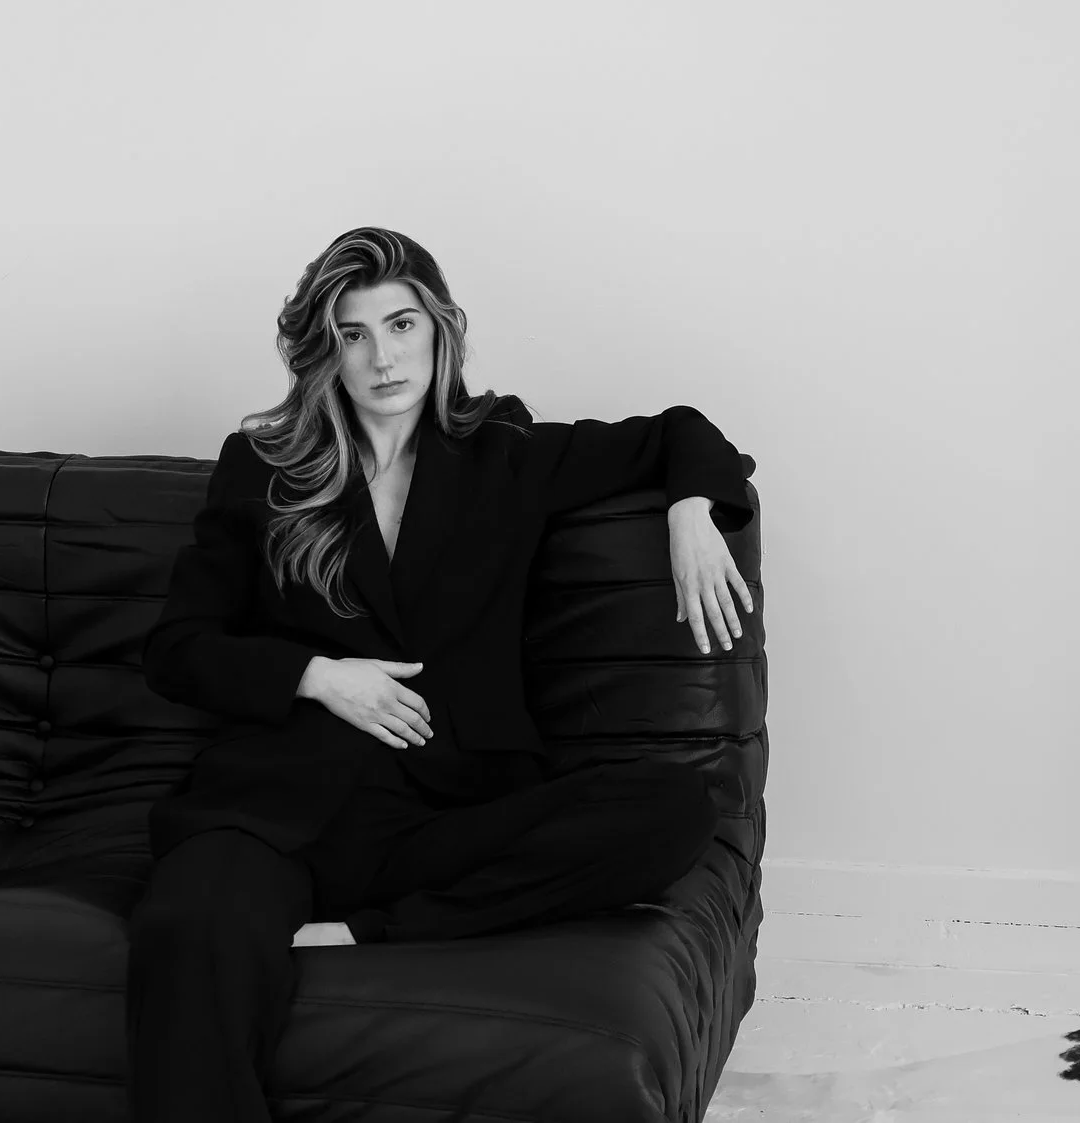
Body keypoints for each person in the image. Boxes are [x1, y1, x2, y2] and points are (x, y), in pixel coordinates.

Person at [124, 225, 757, 1123]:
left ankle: (372, 932)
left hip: (444, 817)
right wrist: (317, 675)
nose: (384, 356)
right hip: (282, 809)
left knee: (675, 810)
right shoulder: (264, 470)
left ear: (440, 330)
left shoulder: (503, 453)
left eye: (402, 324)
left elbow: (680, 432)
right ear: (324, 351)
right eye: (353, 333)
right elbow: (177, 651)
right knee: (185, 931)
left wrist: (695, 507)